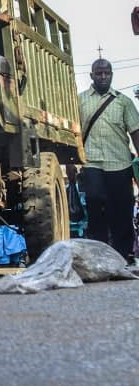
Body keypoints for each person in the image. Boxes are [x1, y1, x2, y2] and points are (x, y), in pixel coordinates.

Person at [77, 59, 139, 261]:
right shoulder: (80, 101)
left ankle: (124, 253)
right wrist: (71, 163)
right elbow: (74, 133)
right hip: (91, 162)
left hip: (119, 163)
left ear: (111, 75)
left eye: (107, 73)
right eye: (99, 73)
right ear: (92, 75)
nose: (103, 77)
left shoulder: (123, 101)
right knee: (95, 203)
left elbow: (136, 132)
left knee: (121, 208)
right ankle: (101, 252)